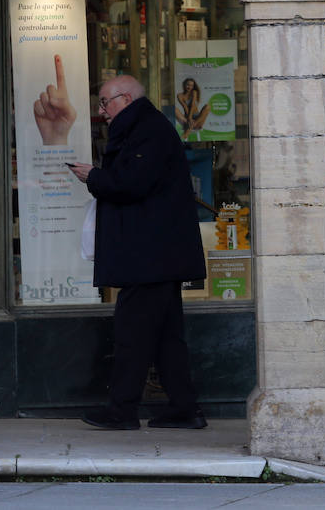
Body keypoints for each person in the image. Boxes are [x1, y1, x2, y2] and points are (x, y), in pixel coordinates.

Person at [68, 74, 208, 431]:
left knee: (133, 332)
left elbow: (132, 183)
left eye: (105, 103)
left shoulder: (148, 131)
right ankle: (184, 408)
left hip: (150, 257)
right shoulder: (146, 128)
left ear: (126, 99)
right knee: (165, 337)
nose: (102, 112)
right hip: (156, 254)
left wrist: (94, 177)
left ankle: (122, 410)